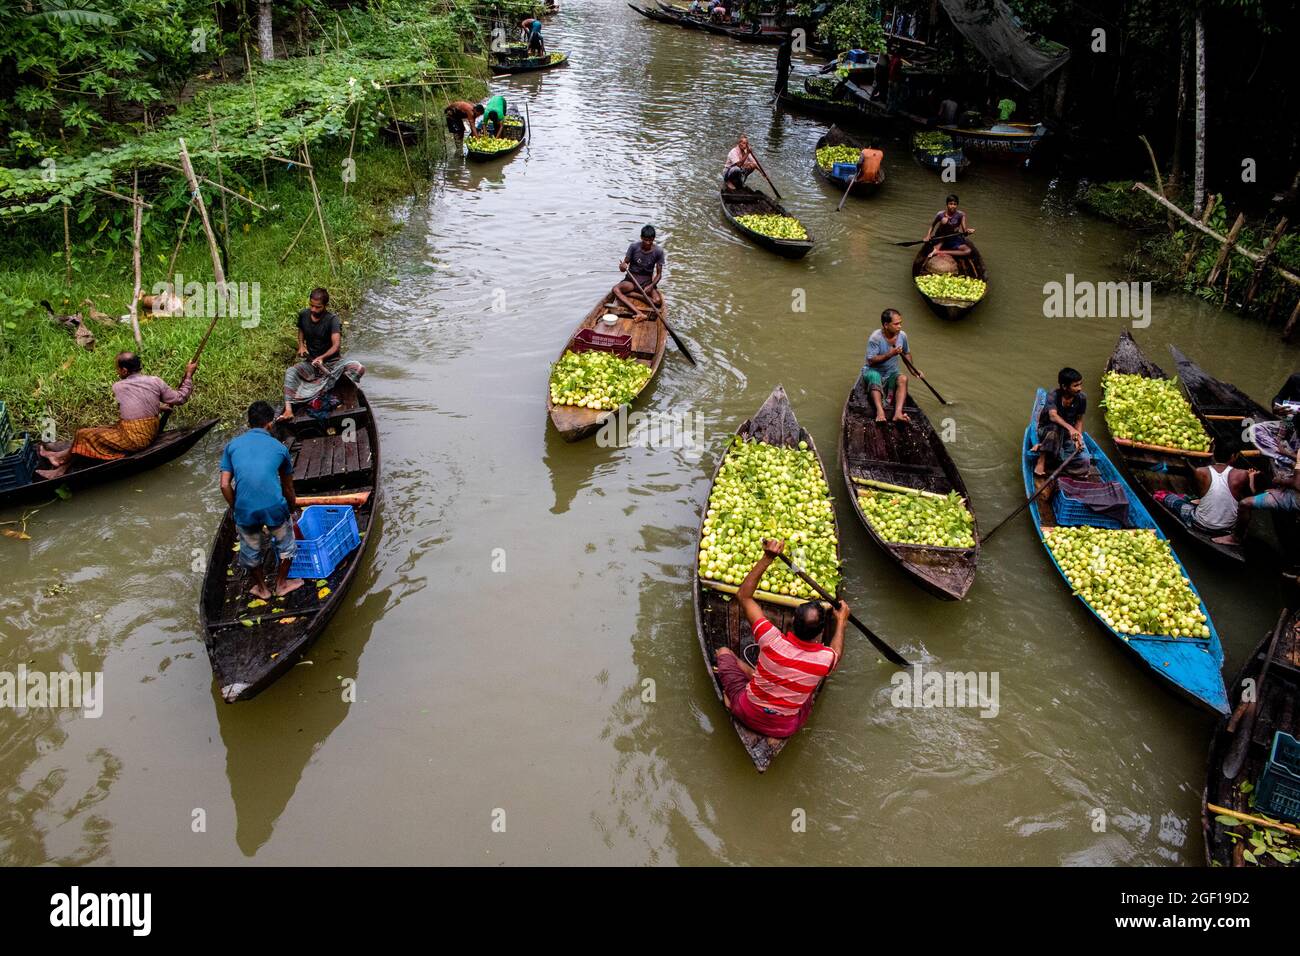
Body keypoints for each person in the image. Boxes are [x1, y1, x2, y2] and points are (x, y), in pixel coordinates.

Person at [713, 538, 847, 741]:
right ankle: (772, 731)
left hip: (745, 711)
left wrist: (768, 557)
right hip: (784, 728)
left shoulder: (771, 639)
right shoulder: (825, 659)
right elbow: (837, 650)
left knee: (723, 653)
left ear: (792, 621)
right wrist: (841, 622)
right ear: (821, 631)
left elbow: (744, 596)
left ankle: (732, 700)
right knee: (807, 698)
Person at [36, 351, 197, 479]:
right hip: (146, 431)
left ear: (125, 370)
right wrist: (188, 375)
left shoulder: (119, 386)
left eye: (118, 368)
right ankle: (60, 458)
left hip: (135, 438)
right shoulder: (155, 381)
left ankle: (60, 464)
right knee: (92, 434)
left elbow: (136, 401)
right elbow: (179, 398)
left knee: (83, 434)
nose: (117, 371)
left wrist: (158, 406)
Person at [220, 401, 302, 600]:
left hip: (245, 509)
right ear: (270, 424)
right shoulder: (279, 448)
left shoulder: (231, 446)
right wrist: (292, 509)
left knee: (250, 551)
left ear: (249, 423)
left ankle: (262, 589)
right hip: (274, 507)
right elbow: (288, 487)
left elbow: (224, 485)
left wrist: (236, 507)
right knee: (287, 546)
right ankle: (281, 584)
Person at [1215, 417, 1300, 546]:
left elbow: (1296, 483)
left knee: (1244, 504)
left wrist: (1279, 481)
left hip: (1296, 498)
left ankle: (1235, 538)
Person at [1155, 438, 1255, 536]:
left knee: (1169, 498)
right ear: (1234, 456)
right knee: (1192, 500)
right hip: (1226, 529)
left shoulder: (1201, 471)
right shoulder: (1242, 475)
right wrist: (1251, 478)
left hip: (1199, 524)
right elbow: (1248, 499)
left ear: (1214, 452)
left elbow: (1201, 495)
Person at [862, 308, 921, 423]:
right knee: (875, 377)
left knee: (903, 378)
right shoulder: (876, 338)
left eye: (900, 323)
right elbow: (871, 361)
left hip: (891, 373)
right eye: (896, 324)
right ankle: (880, 411)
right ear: (886, 325)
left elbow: (906, 353)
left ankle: (898, 413)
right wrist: (889, 354)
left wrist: (913, 370)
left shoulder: (902, 336)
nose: (899, 326)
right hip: (874, 371)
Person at [1033, 367, 1088, 477]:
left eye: (1080, 384)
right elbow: (1053, 416)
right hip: (1047, 431)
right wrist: (1071, 429)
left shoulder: (1082, 398)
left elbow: (1079, 420)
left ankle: (1054, 461)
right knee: (1054, 429)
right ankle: (1042, 460)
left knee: (1085, 462)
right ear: (1064, 386)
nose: (1080, 388)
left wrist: (1078, 437)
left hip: (1066, 433)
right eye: (1076, 385)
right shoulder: (1053, 395)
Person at [614, 225, 665, 314]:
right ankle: (639, 313)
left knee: (657, 301)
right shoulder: (634, 247)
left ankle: (633, 294)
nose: (648, 243)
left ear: (654, 239)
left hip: (646, 283)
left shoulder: (658, 251)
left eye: (650, 240)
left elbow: (659, 274)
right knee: (615, 290)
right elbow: (624, 265)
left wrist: (651, 286)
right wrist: (622, 266)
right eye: (645, 240)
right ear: (641, 238)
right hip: (631, 281)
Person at [297, 288, 341, 367]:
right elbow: (301, 329)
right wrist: (301, 345)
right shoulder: (303, 315)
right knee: (291, 372)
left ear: (325, 306)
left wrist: (322, 358)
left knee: (357, 367)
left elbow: (336, 346)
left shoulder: (332, 320)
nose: (313, 309)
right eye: (311, 305)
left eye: (318, 307)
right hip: (311, 361)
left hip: (332, 362)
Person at [924, 193, 975, 259]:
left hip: (953, 238)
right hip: (941, 237)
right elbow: (932, 226)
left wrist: (968, 231)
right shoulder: (940, 214)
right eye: (951, 204)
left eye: (955, 204)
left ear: (957, 205)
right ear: (947, 204)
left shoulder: (961, 215)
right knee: (944, 220)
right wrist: (928, 235)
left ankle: (939, 252)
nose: (953, 206)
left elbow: (964, 232)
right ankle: (938, 246)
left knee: (968, 251)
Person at [770, 32, 793, 103]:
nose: (791, 40)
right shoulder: (783, 46)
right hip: (781, 65)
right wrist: (778, 65)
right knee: (780, 79)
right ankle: (777, 92)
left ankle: (783, 93)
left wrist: (790, 65)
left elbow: (788, 57)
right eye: (791, 39)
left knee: (785, 80)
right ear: (787, 39)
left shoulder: (789, 47)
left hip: (785, 65)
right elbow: (779, 57)